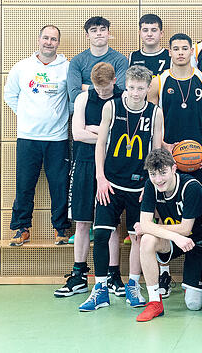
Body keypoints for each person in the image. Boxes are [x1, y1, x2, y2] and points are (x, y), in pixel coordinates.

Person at [78, 65, 163, 311]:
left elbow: (156, 153)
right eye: (131, 87)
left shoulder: (155, 113)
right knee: (103, 234)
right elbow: (100, 144)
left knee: (138, 237)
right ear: (125, 85)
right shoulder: (111, 107)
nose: (135, 93)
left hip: (139, 187)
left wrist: (151, 186)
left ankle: (133, 285)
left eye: (140, 88)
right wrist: (100, 179)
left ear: (148, 88)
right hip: (111, 184)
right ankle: (100, 289)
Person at [4, 25, 70, 247]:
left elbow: (72, 102)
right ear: (38, 40)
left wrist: (58, 117)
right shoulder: (22, 67)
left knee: (59, 185)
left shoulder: (67, 68)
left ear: (58, 43)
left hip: (57, 139)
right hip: (27, 137)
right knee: (24, 185)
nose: (49, 42)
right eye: (45, 38)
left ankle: (61, 229)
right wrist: (25, 116)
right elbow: (10, 95)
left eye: (53, 39)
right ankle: (21, 228)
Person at [63, 63, 124, 297]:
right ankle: (78, 275)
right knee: (81, 222)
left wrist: (95, 130)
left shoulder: (123, 97)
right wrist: (105, 132)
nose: (102, 92)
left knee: (110, 225)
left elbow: (122, 136)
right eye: (98, 88)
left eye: (106, 88)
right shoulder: (83, 99)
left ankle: (113, 275)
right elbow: (77, 134)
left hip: (113, 167)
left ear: (113, 81)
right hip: (85, 164)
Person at [135, 149, 202, 321]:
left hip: (198, 243)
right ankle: (155, 302)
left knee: (193, 304)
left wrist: (153, 228)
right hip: (176, 240)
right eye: (153, 174)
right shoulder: (151, 185)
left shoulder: (191, 187)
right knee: (146, 240)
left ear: (174, 168)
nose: (158, 179)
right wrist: (174, 236)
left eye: (163, 173)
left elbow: (186, 228)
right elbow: (145, 225)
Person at [148, 33, 202, 188]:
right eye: (176, 49)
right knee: (165, 202)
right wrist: (164, 145)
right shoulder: (158, 82)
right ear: (169, 52)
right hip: (166, 154)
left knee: (197, 203)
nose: (180, 52)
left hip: (197, 156)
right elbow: (151, 123)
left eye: (184, 48)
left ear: (192, 51)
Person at [68, 16, 128, 105]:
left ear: (108, 33)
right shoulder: (77, 61)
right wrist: (107, 88)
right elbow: (73, 95)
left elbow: (120, 92)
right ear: (87, 36)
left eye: (102, 29)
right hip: (84, 111)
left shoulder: (120, 60)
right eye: (94, 30)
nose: (99, 33)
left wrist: (86, 87)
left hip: (112, 111)